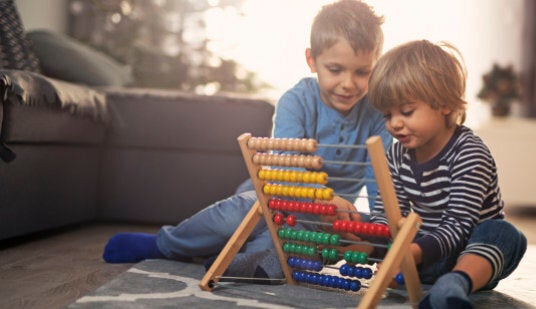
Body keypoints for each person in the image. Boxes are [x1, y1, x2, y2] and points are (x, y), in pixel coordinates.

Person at [102, 0, 392, 280]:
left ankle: (247, 260)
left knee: (300, 248)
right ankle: (166, 244)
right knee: (245, 213)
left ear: (376, 67)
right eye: (336, 69)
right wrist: (329, 200)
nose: (348, 83)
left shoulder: (379, 116)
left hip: (318, 222)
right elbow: (287, 168)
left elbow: (380, 182)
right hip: (276, 196)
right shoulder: (296, 101)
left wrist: (373, 229)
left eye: (362, 72)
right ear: (312, 61)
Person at [366, 40, 527, 309]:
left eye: (406, 111)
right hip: (425, 254)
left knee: (504, 233)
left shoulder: (469, 153)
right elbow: (389, 215)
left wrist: (409, 253)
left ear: (443, 104)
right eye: (387, 114)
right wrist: (371, 242)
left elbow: (459, 225)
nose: (394, 123)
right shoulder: (396, 155)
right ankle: (425, 278)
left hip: (472, 254)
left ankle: (454, 285)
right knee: (366, 224)